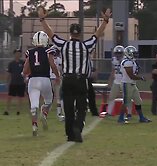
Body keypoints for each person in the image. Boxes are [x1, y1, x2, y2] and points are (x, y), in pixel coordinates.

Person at [38, 6, 112, 142]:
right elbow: (97, 34)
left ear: (70, 33)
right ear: (80, 34)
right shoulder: (86, 45)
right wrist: (105, 20)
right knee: (82, 107)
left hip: (67, 79)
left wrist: (42, 19)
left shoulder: (63, 45)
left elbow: (50, 34)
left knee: (68, 108)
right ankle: (78, 127)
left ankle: (70, 135)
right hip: (81, 80)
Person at [22, 31, 60, 136]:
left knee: (34, 105)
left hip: (32, 80)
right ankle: (44, 112)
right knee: (49, 100)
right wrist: (57, 75)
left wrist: (27, 73)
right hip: (45, 80)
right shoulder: (48, 50)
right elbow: (52, 65)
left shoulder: (30, 52)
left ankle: (34, 125)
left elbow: (25, 70)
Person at [118, 46, 151, 124]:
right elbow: (131, 75)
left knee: (138, 101)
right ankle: (120, 118)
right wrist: (141, 78)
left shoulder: (131, 61)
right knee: (126, 101)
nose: (135, 55)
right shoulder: (127, 62)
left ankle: (141, 117)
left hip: (132, 84)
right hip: (127, 84)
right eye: (134, 53)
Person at [105, 45, 132, 118]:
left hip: (124, 81)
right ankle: (109, 112)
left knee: (127, 97)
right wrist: (110, 81)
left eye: (120, 53)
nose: (118, 55)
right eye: (117, 53)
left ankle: (129, 113)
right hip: (116, 80)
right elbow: (113, 71)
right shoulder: (114, 60)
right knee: (111, 97)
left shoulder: (126, 60)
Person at [3, 49, 26, 116]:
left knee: (20, 97)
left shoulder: (23, 63)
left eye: (19, 53)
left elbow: (26, 71)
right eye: (16, 53)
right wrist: (7, 82)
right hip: (13, 82)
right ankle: (7, 110)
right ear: (14, 54)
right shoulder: (11, 64)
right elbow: (9, 73)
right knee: (10, 97)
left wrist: (26, 79)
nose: (18, 55)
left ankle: (18, 111)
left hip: (21, 82)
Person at [48, 45, 65, 121]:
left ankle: (47, 111)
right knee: (58, 96)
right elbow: (61, 69)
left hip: (50, 78)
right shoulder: (58, 59)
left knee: (49, 96)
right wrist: (60, 76)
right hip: (57, 78)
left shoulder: (49, 59)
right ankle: (58, 112)